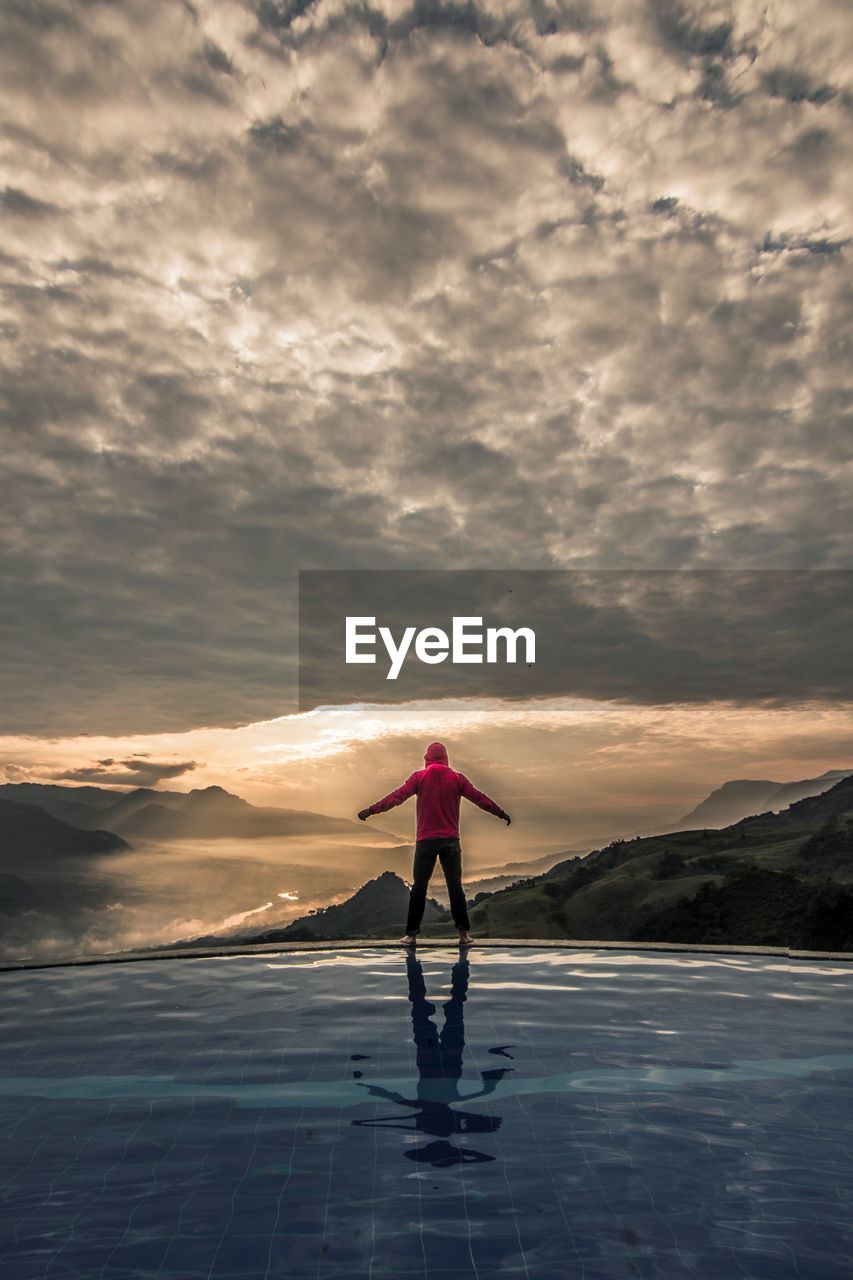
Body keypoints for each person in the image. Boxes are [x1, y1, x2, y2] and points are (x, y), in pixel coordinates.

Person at [357, 741, 511, 946]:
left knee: (419, 888)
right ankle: (463, 935)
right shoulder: (457, 778)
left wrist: (372, 810)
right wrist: (500, 813)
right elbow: (480, 799)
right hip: (451, 842)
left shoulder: (419, 777)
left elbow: (396, 797)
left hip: (426, 841)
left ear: (427, 758)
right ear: (445, 757)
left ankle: (411, 935)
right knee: (455, 887)